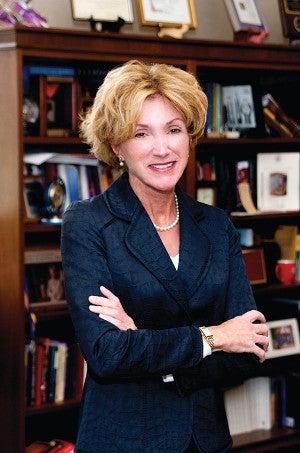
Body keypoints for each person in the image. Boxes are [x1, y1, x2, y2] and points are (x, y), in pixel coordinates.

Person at [61, 60, 269, 453]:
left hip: (206, 440)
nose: (162, 148)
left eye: (174, 129)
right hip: (124, 440)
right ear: (117, 146)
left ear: (189, 137)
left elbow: (250, 348)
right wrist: (215, 336)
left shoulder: (215, 224)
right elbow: (107, 354)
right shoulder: (89, 223)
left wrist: (143, 340)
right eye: (142, 134)